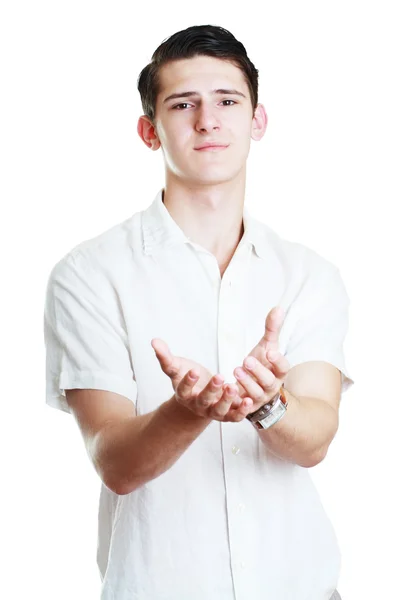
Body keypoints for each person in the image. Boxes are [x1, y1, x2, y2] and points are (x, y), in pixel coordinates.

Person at [44, 24, 353, 600]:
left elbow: (315, 441)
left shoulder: (308, 275)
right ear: (149, 131)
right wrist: (188, 412)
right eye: (182, 104)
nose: (207, 121)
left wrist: (268, 405)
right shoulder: (89, 275)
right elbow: (114, 461)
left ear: (257, 121)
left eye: (227, 101)